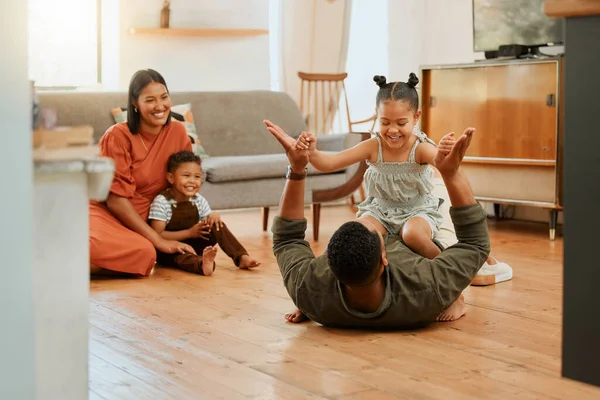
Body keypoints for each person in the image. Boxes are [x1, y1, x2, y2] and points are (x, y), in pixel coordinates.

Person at [264, 118, 489, 328]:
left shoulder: (307, 289)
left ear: (330, 265)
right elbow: (474, 244)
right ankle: (461, 295)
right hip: (425, 205)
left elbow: (287, 239)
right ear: (384, 258)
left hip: (412, 201)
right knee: (436, 194)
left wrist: (296, 167)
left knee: (376, 223)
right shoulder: (429, 289)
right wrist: (451, 174)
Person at [299, 73, 512, 286]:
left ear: (416, 117)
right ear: (377, 115)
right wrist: (313, 152)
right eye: (385, 122)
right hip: (379, 211)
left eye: (401, 123)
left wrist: (445, 151)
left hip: (417, 210)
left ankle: (452, 274)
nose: (392, 130)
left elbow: (440, 161)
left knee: (413, 235)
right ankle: (315, 285)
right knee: (350, 234)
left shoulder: (419, 147)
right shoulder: (373, 146)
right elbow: (329, 163)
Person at [89, 69, 197, 276]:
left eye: (164, 97)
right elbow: (115, 200)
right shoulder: (117, 136)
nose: (160, 106)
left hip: (143, 222)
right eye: (150, 100)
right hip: (106, 212)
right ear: (134, 103)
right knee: (102, 246)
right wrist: (158, 240)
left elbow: (185, 184)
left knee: (145, 253)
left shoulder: (178, 132)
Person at [148, 150, 260, 275]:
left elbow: (208, 221)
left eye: (197, 176)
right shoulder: (162, 202)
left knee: (217, 224)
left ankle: (241, 257)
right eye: (186, 175)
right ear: (171, 178)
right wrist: (189, 233)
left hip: (194, 244)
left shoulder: (198, 199)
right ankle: (202, 264)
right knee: (180, 258)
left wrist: (213, 216)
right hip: (169, 249)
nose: (192, 181)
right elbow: (157, 235)